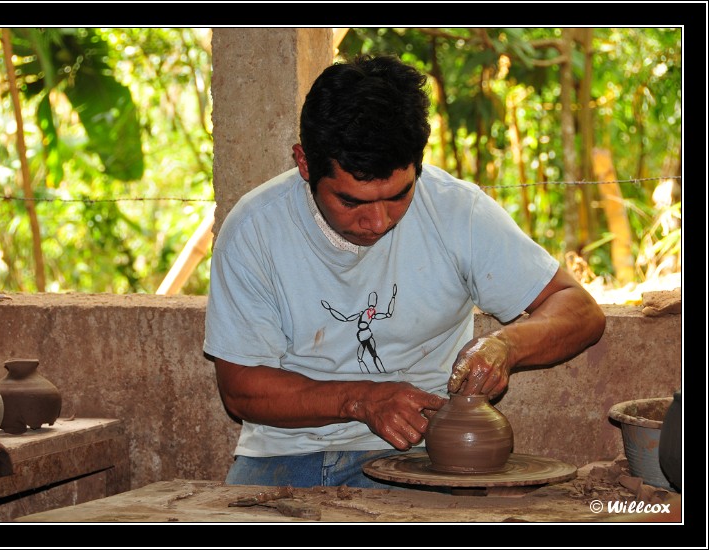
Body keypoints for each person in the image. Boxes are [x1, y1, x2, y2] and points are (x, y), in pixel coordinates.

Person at [203, 54, 606, 489]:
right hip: (283, 453)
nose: (379, 222)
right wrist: (361, 400)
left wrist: (506, 345)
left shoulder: (457, 211)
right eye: (352, 202)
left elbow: (579, 310)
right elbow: (240, 388)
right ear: (304, 163)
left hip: (419, 455)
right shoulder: (256, 228)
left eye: (399, 195)